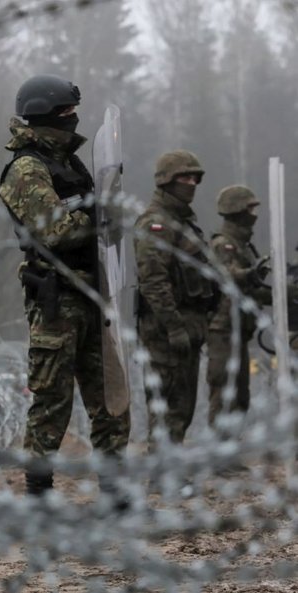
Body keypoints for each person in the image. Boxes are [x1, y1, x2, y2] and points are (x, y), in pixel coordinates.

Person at [0, 74, 129, 499]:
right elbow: (54, 230)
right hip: (57, 298)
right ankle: (37, 492)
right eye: (66, 113)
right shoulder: (26, 168)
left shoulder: (69, 163)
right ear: (43, 114)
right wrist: (97, 218)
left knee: (110, 396)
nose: (74, 119)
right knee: (52, 401)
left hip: (93, 293)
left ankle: (114, 489)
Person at [135, 150, 216, 446]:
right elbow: (153, 281)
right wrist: (174, 326)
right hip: (165, 331)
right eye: (185, 177)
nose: (191, 183)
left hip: (189, 326)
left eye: (195, 177)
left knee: (183, 405)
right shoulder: (155, 223)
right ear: (167, 180)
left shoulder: (183, 223)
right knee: (167, 402)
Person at [206, 185, 271, 430]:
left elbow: (254, 289)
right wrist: (249, 274)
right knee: (224, 392)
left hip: (240, 329)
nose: (254, 214)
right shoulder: (224, 244)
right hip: (222, 329)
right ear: (236, 210)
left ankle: (230, 453)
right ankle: (220, 459)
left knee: (241, 396)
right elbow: (228, 275)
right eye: (250, 208)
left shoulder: (244, 246)